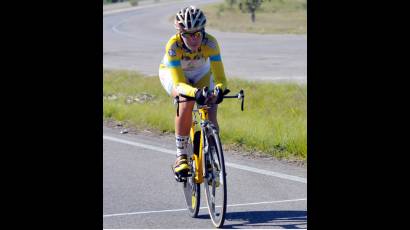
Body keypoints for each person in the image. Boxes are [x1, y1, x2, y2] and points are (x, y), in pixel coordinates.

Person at [158, 5, 228, 180]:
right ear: (180, 33)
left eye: (197, 33)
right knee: (186, 100)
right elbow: (180, 83)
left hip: (201, 73)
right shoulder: (173, 46)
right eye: (188, 34)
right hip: (173, 74)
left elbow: (221, 78)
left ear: (203, 31)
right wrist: (195, 92)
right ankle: (181, 155)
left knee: (210, 105)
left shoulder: (211, 43)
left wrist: (219, 90)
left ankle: (212, 154)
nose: (194, 39)